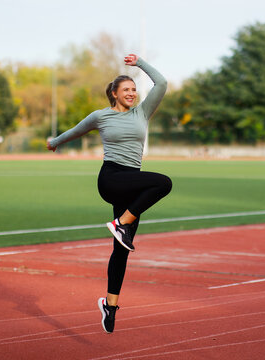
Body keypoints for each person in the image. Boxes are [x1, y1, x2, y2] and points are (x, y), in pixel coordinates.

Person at [47, 54, 172, 334]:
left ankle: (110, 306)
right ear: (114, 94)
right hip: (112, 178)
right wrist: (54, 142)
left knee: (121, 250)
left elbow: (161, 83)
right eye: (126, 89)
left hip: (133, 183)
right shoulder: (100, 116)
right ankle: (120, 224)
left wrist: (139, 63)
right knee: (164, 183)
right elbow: (76, 131)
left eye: (134, 89)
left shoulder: (142, 112)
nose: (132, 93)